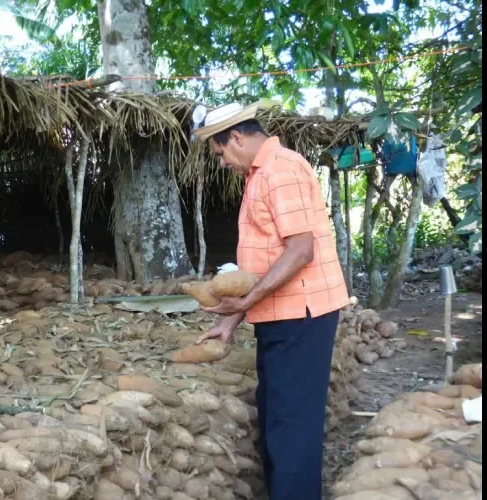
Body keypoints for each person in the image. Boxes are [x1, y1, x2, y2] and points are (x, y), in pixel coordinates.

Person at [191, 102, 350, 500]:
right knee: (279, 417)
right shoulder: (260, 175)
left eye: (221, 151)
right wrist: (230, 321)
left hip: (302, 317)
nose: (223, 162)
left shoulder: (281, 170)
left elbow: (300, 251)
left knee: (292, 425)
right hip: (283, 316)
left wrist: (245, 301)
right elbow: (264, 261)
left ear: (238, 137)